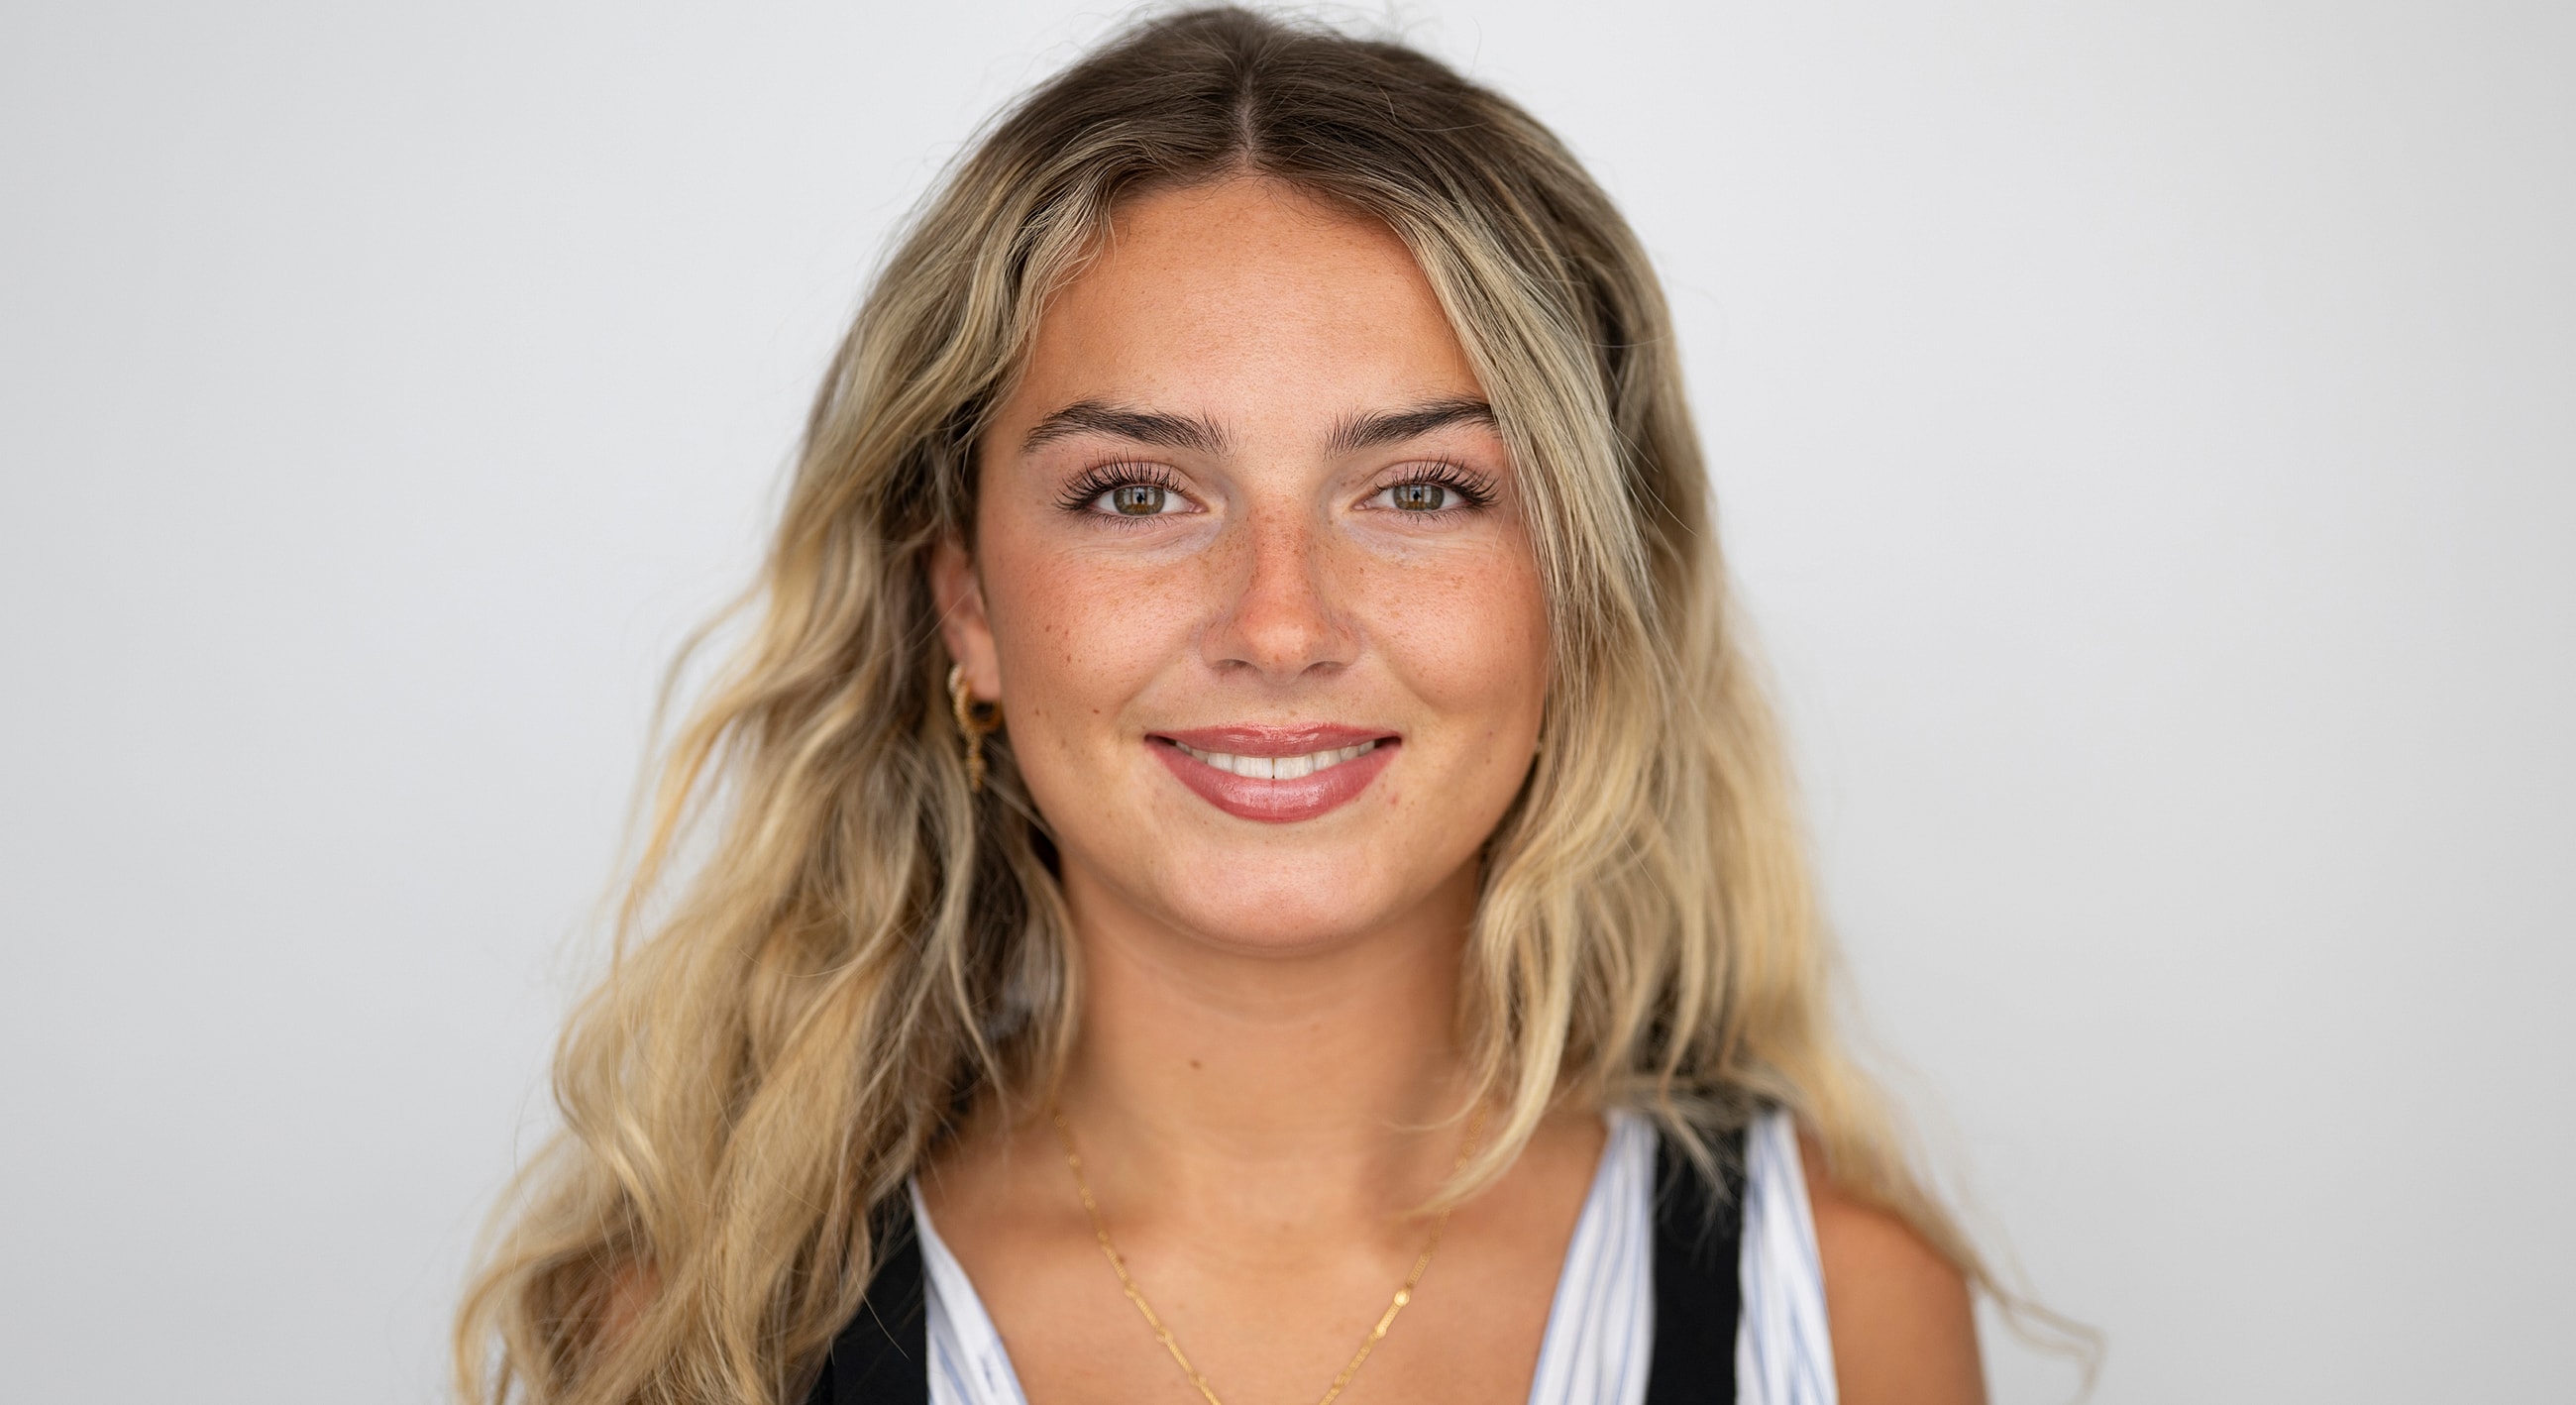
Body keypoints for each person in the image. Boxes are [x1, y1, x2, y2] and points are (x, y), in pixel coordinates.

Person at [458, 9, 1993, 1404]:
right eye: (1135, 491)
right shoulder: (699, 1328)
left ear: (1583, 597)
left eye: (1419, 488)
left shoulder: (1840, 1314)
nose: (1279, 623)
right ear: (968, 605)